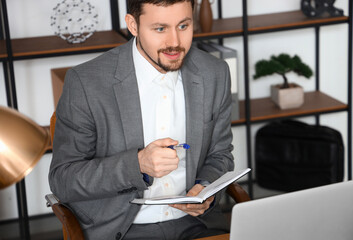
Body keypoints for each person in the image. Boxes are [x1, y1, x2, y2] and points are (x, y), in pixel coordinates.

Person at [49, 0, 234, 239]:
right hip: (121, 228)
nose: (175, 42)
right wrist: (137, 165)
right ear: (133, 25)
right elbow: (63, 179)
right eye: (160, 29)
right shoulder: (86, 82)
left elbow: (221, 155)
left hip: (197, 224)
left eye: (183, 26)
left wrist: (206, 187)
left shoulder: (215, 72)